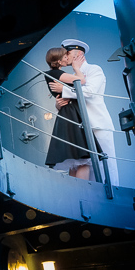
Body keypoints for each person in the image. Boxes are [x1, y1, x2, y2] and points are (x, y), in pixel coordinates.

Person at [48, 39, 119, 187]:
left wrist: (64, 90)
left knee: (105, 167)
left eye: (68, 53)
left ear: (78, 54)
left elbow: (90, 92)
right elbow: (71, 101)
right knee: (80, 165)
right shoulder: (73, 75)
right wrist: (58, 104)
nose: (64, 56)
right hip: (79, 126)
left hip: (97, 125)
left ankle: (110, 196)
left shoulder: (94, 69)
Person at [43, 47, 98, 179]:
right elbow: (81, 81)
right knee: (83, 158)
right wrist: (77, 67)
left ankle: (77, 192)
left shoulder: (57, 74)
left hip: (68, 112)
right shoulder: (55, 73)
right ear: (60, 60)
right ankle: (83, 191)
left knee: (76, 160)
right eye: (65, 56)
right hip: (71, 113)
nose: (68, 58)